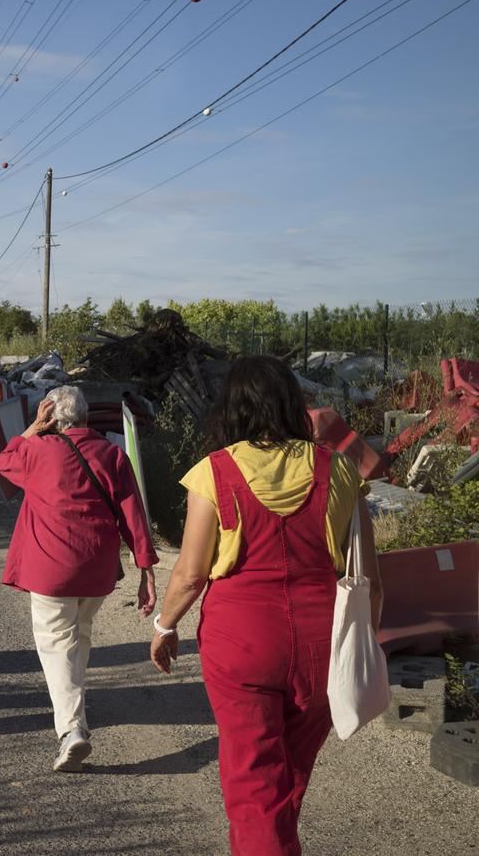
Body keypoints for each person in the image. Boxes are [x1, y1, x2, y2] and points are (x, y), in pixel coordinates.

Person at [150, 356, 382, 855]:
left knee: (255, 784)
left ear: (231, 409)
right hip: (326, 640)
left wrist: (164, 625)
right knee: (289, 776)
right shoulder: (340, 470)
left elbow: (190, 575)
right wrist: (364, 645)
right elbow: (371, 579)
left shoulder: (214, 473)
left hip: (242, 645)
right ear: (291, 403)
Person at [0, 385, 157, 772]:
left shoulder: (36, 451)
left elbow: (3, 461)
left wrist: (33, 428)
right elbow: (134, 516)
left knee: (57, 646)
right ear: (85, 417)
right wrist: (146, 572)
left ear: (51, 418)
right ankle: (75, 708)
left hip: (51, 571)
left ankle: (71, 730)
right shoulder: (112, 454)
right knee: (78, 636)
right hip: (96, 571)